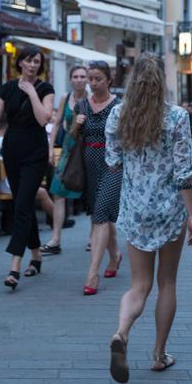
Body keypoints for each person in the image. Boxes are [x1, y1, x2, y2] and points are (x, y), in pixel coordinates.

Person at [105, 54, 192, 383]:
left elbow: (113, 163)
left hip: (135, 209)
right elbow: (184, 172)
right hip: (169, 208)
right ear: (162, 80)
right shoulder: (176, 117)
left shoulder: (118, 116)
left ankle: (121, 332)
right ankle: (159, 354)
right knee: (167, 283)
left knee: (138, 285)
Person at [0, 46, 55, 290]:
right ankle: (37, 256)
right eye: (29, 61)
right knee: (24, 203)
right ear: (19, 62)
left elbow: (44, 118)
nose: (32, 65)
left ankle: (14, 267)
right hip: (12, 150)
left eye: (37, 62)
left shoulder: (45, 89)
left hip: (35, 152)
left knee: (21, 204)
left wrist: (32, 93)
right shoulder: (8, 87)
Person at [79, 61, 123, 295]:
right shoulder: (82, 105)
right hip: (89, 166)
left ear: (108, 79)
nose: (93, 83)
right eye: (90, 79)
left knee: (100, 217)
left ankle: (92, 273)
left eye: (98, 79)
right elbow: (71, 136)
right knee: (102, 216)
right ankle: (115, 256)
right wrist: (75, 126)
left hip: (113, 165)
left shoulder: (119, 106)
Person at [43, 65, 89, 255]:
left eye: (82, 76)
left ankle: (93, 238)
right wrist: (50, 147)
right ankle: (56, 239)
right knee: (57, 192)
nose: (79, 79)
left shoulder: (92, 98)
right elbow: (55, 124)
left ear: (87, 79)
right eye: (75, 76)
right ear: (71, 79)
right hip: (68, 148)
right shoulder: (65, 97)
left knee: (91, 195)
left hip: (87, 148)